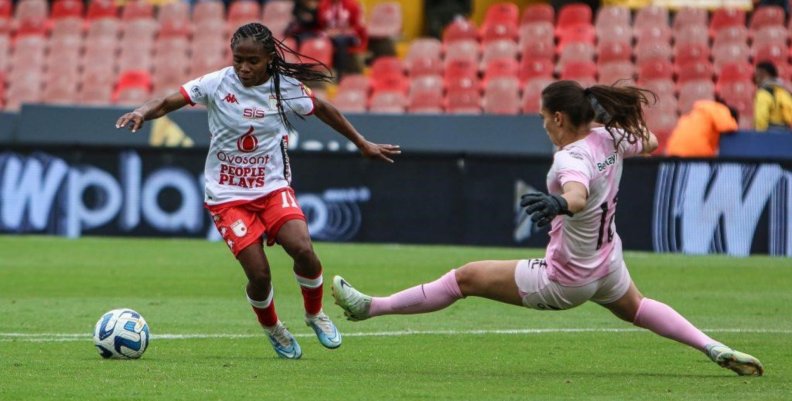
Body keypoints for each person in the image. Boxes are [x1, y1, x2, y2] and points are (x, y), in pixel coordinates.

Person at [332, 80, 764, 376]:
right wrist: (613, 133)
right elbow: (649, 142)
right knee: (638, 308)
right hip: (607, 263)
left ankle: (369, 307)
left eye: (543, 118)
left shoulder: (570, 157)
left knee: (465, 278)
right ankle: (713, 347)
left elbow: (575, 196)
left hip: (566, 278)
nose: (542, 125)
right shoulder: (608, 138)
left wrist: (560, 202)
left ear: (558, 117)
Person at [116, 22, 401, 360]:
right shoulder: (217, 83)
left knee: (304, 251)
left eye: (252, 61)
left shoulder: (285, 88)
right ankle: (273, 327)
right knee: (260, 275)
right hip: (227, 197)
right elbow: (168, 100)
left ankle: (314, 314)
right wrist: (141, 111)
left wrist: (361, 142)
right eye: (238, 60)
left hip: (272, 188)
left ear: (269, 58)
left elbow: (325, 109)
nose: (244, 68)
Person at [666, 98, 739, 157]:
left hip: (673, 151)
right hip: (695, 153)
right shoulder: (720, 109)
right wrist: (735, 124)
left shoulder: (696, 113)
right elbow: (727, 126)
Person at [316, 0, 367, 79]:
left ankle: (341, 73)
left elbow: (358, 26)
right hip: (331, 36)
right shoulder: (324, 4)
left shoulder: (352, 4)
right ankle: (318, 73)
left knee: (340, 40)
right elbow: (320, 25)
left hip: (351, 36)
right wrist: (328, 32)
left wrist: (341, 32)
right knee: (317, 40)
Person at [753, 60, 792, 132]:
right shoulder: (785, 93)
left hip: (769, 135)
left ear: (762, 73)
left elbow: (761, 119)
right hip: (786, 133)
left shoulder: (764, 93)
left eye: (756, 75)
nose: (755, 79)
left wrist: (759, 136)